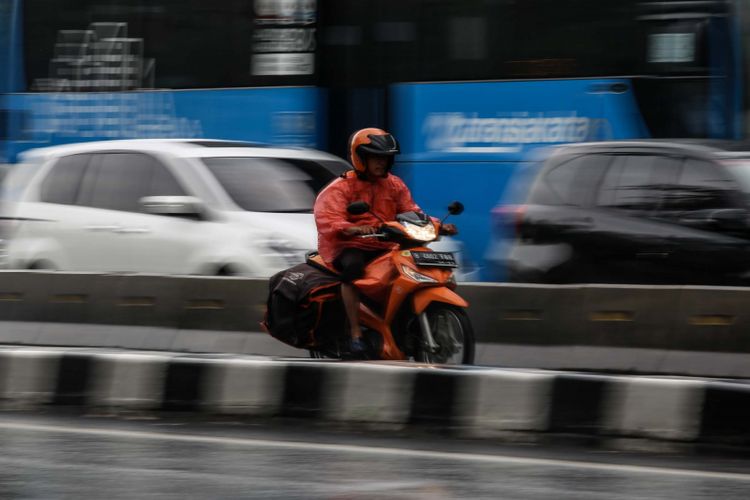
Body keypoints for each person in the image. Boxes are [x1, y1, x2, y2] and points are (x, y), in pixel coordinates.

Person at [313, 127, 456, 354]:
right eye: (375, 158)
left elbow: (412, 211)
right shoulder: (340, 187)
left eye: (385, 158)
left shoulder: (394, 184)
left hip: (386, 245)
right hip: (350, 246)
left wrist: (438, 225)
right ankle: (355, 333)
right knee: (352, 270)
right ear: (360, 159)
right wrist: (353, 229)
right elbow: (328, 218)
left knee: (414, 266)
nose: (382, 163)